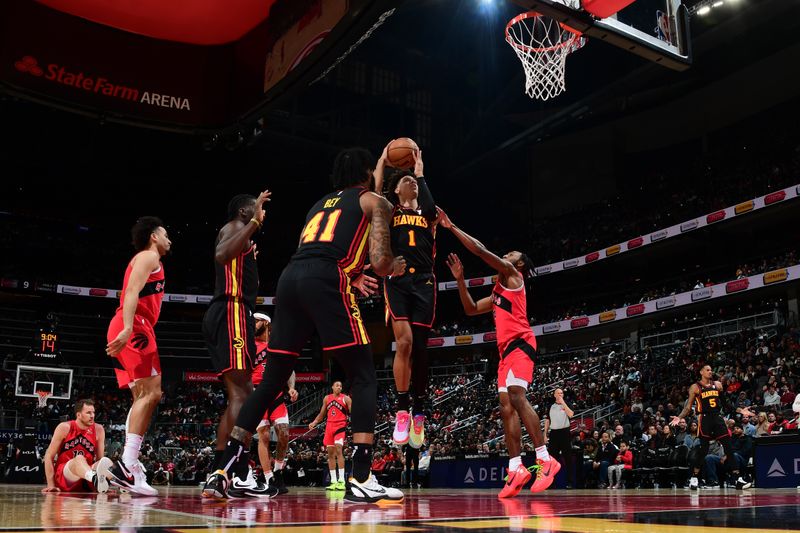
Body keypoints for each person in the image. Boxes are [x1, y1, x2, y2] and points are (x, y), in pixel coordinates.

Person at [203, 147, 405, 503]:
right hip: (327, 280)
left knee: (270, 382)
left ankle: (226, 469)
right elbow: (380, 261)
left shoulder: (319, 205)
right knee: (363, 375)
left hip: (291, 279)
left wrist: (352, 275)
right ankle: (360, 477)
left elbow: (310, 250)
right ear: (366, 175)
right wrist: (391, 268)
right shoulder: (376, 202)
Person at [443, 215, 559, 498]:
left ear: (518, 263)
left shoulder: (514, 276)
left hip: (521, 343)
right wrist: (460, 280)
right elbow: (470, 308)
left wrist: (452, 227)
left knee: (518, 396)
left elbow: (481, 251)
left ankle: (545, 458)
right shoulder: (497, 292)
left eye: (511, 254)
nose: (506, 255)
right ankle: (516, 466)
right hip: (505, 353)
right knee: (506, 408)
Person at [202, 191, 272, 497]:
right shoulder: (234, 227)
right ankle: (231, 471)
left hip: (234, 312)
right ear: (244, 210)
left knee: (242, 392)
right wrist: (254, 221)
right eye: (255, 208)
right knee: (243, 392)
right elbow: (221, 255)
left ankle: (226, 470)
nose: (261, 212)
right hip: (230, 310)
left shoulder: (242, 235)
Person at [374, 144, 438, 449]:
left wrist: (420, 172)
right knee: (405, 343)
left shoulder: (428, 212)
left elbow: (429, 202)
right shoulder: (390, 210)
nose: (410, 182)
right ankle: (401, 409)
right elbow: (374, 195)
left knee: (422, 350)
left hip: (425, 282)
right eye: (405, 181)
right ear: (395, 191)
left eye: (412, 181)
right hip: (398, 280)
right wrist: (383, 163)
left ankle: (420, 412)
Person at [105, 216, 171, 496]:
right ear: (154, 235)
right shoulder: (147, 256)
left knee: (141, 396)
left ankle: (129, 466)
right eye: (166, 234)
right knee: (152, 393)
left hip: (129, 327)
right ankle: (128, 464)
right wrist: (129, 328)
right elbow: (130, 290)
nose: (170, 239)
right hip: (133, 326)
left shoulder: (153, 260)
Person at [670, 364, 754, 490]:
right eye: (707, 370)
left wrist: (741, 411)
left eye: (711, 370)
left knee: (728, 448)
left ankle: (738, 479)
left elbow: (726, 404)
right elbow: (688, 407)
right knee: (703, 450)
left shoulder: (718, 385)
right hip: (704, 418)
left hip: (717, 417)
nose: (710, 372)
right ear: (701, 372)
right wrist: (680, 417)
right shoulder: (695, 387)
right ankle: (694, 478)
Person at [252, 312, 297, 496]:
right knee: (262, 436)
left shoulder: (275, 346)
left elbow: (290, 370)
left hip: (276, 393)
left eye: (256, 321)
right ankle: (269, 477)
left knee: (284, 433)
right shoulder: (247, 345)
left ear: (266, 324)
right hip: (256, 392)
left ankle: (278, 470)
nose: (253, 324)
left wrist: (292, 388)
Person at [42, 399, 113, 493]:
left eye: (93, 412)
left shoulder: (99, 429)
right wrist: (51, 485)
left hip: (85, 477)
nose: (92, 416)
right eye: (88, 413)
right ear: (78, 415)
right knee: (79, 458)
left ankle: (109, 483)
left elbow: (100, 460)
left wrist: (107, 472)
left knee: (107, 462)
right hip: (66, 475)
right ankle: (95, 479)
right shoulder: (65, 427)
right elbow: (49, 456)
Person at [308, 381, 351, 491]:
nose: (339, 387)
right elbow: (322, 414)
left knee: (338, 449)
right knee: (330, 454)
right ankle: (333, 481)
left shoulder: (346, 398)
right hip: (329, 427)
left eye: (341, 386)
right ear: (332, 387)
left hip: (340, 426)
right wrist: (314, 422)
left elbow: (353, 412)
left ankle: (341, 481)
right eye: (337, 385)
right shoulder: (327, 398)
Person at [544, 388, 574, 488]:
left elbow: (571, 414)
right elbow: (547, 420)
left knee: (568, 459)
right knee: (552, 459)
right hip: (554, 434)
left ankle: (569, 482)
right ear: (554, 395)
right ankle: (551, 483)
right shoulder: (550, 406)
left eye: (562, 393)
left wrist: (563, 403)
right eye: (558, 393)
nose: (560, 394)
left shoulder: (567, 403)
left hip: (564, 433)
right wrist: (545, 434)